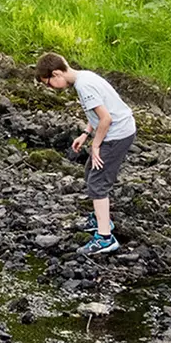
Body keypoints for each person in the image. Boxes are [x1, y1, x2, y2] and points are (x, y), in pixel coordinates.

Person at [35, 52, 136, 255]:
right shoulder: (84, 77)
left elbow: (106, 119)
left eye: (48, 84)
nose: (51, 89)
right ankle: (101, 218)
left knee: (98, 183)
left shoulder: (84, 86)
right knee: (91, 170)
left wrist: (96, 145)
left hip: (117, 134)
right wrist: (85, 133)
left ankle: (105, 238)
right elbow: (97, 113)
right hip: (117, 130)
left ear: (56, 74)